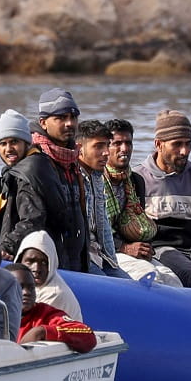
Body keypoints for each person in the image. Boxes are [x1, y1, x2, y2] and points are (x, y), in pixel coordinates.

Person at [135, 109, 191, 290]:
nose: (184, 151)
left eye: (188, 143)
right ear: (159, 144)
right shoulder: (138, 178)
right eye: (177, 144)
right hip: (160, 252)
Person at [0, 106, 87, 271]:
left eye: (14, 142)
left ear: (26, 142)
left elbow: (32, 220)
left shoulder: (28, 173)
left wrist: (6, 247)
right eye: (3, 143)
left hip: (38, 260)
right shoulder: (36, 164)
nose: (8, 149)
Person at [102, 118, 180, 287]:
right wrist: (124, 248)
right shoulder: (97, 179)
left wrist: (145, 247)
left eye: (128, 143)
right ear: (105, 148)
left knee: (172, 280)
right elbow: (94, 231)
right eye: (117, 143)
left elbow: (139, 223)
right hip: (107, 252)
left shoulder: (135, 180)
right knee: (153, 279)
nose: (124, 149)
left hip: (130, 250)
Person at [26, 88, 93, 270]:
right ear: (43, 122)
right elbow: (30, 220)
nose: (70, 123)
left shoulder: (72, 158)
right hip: (48, 264)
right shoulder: (35, 162)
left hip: (76, 258)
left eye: (73, 117)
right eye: (60, 118)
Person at [73, 119, 130, 278]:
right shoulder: (72, 177)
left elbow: (104, 226)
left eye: (106, 145)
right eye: (98, 146)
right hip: (82, 258)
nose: (106, 152)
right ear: (80, 149)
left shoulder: (97, 176)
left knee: (133, 289)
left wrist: (113, 263)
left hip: (100, 256)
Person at [7, 263, 98, 352]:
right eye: (19, 287)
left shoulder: (46, 314)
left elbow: (86, 334)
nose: (27, 292)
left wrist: (42, 331)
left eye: (31, 288)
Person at [17, 229, 83, 320]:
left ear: (51, 265)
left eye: (44, 263)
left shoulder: (54, 294)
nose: (36, 269)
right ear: (19, 261)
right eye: (30, 261)